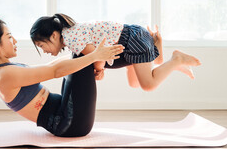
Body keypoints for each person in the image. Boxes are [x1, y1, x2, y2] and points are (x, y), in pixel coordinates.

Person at [0, 17, 124, 137]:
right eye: (9, 37)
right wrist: (94, 56)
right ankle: (137, 51)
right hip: (69, 124)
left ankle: (136, 49)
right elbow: (54, 71)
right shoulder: (4, 75)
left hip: (69, 117)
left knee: (81, 53)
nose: (15, 40)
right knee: (83, 54)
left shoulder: (5, 70)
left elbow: (53, 66)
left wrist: (93, 56)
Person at [30, 13, 201, 91]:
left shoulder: (71, 38)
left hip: (130, 41)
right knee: (134, 83)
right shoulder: (72, 32)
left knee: (148, 85)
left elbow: (98, 54)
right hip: (132, 38)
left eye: (42, 45)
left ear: (53, 36)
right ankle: (159, 48)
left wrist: (99, 69)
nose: (44, 51)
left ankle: (176, 60)